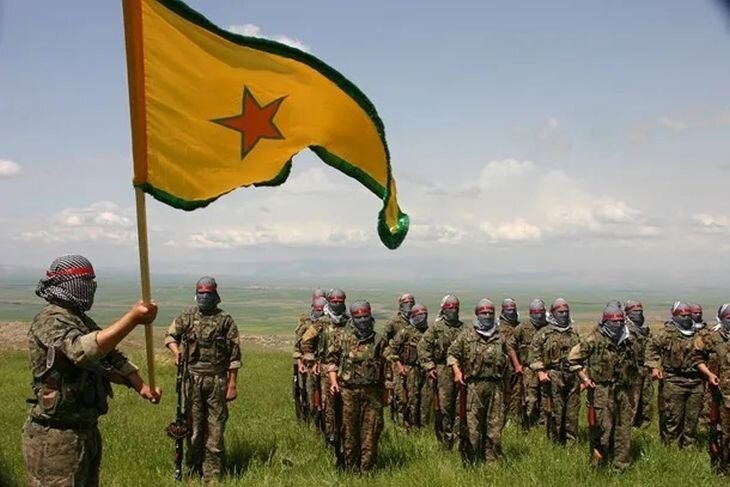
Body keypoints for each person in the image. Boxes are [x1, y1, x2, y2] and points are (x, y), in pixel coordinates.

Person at [22, 254, 160, 487]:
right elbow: (80, 351)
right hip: (54, 436)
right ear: (69, 284)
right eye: (86, 282)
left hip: (84, 432)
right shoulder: (50, 319)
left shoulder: (79, 319)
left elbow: (110, 354)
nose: (90, 287)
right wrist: (132, 319)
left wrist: (141, 386)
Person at [165, 276, 241, 481]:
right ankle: (193, 468)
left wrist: (232, 384)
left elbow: (234, 356)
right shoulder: (187, 317)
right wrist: (176, 352)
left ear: (215, 295)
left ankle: (212, 475)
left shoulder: (225, 320)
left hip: (217, 381)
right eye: (200, 293)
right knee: (194, 427)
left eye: (207, 293)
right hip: (192, 380)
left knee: (215, 428)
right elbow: (170, 335)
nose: (204, 297)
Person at [568, 301, 639, 471]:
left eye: (620, 321)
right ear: (605, 321)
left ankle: (620, 465)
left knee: (623, 429)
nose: (618, 324)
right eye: (614, 321)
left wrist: (632, 392)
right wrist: (585, 378)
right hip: (601, 390)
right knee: (601, 429)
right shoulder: (594, 339)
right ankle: (599, 465)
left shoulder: (627, 340)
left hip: (623, 390)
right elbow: (572, 358)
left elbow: (633, 366)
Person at [448, 298, 520, 464]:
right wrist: (457, 371)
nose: (487, 316)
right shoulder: (467, 335)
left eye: (490, 313)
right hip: (473, 387)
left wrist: (508, 389)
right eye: (484, 313)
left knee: (494, 427)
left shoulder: (500, 337)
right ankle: (471, 461)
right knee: (472, 427)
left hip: (495, 387)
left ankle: (492, 462)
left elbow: (508, 364)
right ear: (477, 314)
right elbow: (452, 354)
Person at [327, 301, 388, 473]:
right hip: (347, 393)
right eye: (359, 317)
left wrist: (387, 393)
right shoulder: (342, 338)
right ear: (353, 318)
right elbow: (331, 362)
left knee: (371, 432)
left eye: (365, 317)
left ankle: (367, 470)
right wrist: (333, 382)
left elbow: (387, 369)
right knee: (348, 431)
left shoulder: (379, 340)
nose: (362, 320)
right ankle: (350, 469)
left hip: (372, 393)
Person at [646, 301, 703, 448]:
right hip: (673, 381)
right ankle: (671, 448)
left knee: (692, 418)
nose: (686, 318)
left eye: (688, 315)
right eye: (682, 315)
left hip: (696, 381)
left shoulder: (699, 333)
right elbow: (651, 349)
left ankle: (689, 447)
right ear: (675, 316)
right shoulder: (666, 333)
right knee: (673, 417)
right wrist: (654, 367)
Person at [300, 288, 351, 448]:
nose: (337, 303)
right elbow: (306, 341)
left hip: (346, 370)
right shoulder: (322, 322)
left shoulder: (349, 322)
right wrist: (311, 361)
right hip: (324, 370)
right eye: (334, 301)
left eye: (340, 301)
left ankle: (346, 436)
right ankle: (330, 437)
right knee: (328, 404)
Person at [528, 298, 581, 444]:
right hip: (553, 376)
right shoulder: (545, 333)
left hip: (572, 376)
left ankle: (571, 444)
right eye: (560, 312)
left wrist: (584, 377)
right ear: (553, 313)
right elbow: (534, 354)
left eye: (566, 312)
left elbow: (582, 355)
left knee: (572, 411)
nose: (564, 315)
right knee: (554, 411)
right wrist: (541, 372)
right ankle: (554, 442)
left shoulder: (574, 332)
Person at [418, 294, 465, 449]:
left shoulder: (463, 328)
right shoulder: (436, 328)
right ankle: (444, 440)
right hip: (442, 370)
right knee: (444, 406)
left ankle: (458, 440)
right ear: (444, 309)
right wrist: (430, 366)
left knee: (459, 406)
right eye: (450, 307)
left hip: (460, 371)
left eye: (456, 307)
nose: (453, 310)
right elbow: (422, 347)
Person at [692, 303, 730, 474]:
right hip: (720, 394)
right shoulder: (711, 337)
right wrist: (708, 374)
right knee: (721, 432)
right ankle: (720, 466)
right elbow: (696, 356)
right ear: (721, 318)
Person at [388, 303, 430, 429]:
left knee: (425, 400)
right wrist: (400, 366)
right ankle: (409, 426)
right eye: (419, 315)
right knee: (411, 399)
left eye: (424, 315)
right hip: (410, 369)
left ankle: (423, 427)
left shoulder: (429, 332)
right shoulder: (405, 331)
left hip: (425, 370)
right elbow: (392, 350)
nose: (422, 318)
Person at [513, 298, 548, 428]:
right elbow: (510, 345)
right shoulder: (522, 327)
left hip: (545, 369)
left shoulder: (548, 328)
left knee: (545, 398)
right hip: (529, 370)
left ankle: (543, 426)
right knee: (530, 399)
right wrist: (517, 364)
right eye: (535, 312)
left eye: (541, 312)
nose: (538, 315)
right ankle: (528, 425)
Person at [293, 293, 328, 422]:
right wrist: (301, 363)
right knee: (308, 394)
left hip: (324, 365)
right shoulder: (307, 325)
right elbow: (299, 346)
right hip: (309, 365)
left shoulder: (329, 325)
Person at [383, 293, 415, 423]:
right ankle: (397, 421)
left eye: (411, 303)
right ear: (400, 305)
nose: (409, 306)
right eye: (406, 303)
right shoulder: (393, 322)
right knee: (399, 394)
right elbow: (384, 343)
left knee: (412, 394)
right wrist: (393, 361)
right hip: (396, 362)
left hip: (411, 363)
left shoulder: (415, 320)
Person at [624, 299, 653, 428]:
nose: (638, 313)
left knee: (646, 401)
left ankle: (643, 429)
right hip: (631, 370)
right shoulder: (624, 329)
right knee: (631, 402)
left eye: (640, 311)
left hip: (645, 369)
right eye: (635, 311)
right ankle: (628, 428)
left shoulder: (644, 329)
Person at [499, 298, 522, 422]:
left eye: (513, 309)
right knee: (504, 393)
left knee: (517, 393)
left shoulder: (518, 326)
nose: (511, 312)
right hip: (505, 367)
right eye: (508, 310)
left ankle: (513, 420)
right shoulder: (499, 328)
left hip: (517, 366)